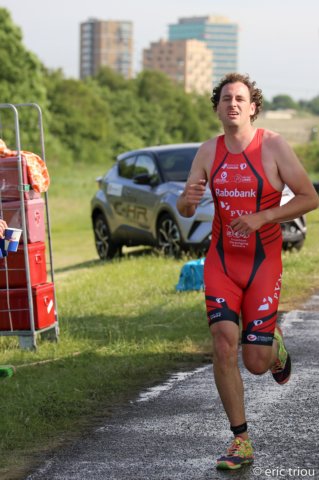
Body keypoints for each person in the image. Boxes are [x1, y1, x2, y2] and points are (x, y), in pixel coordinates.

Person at [177, 73, 319, 470]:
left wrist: (265, 216)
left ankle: (274, 349)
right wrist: (186, 201)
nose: (233, 104)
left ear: (253, 106)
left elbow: (310, 197)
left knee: (255, 361)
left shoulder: (273, 146)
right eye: (226, 99)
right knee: (223, 343)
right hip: (222, 263)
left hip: (262, 264)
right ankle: (240, 440)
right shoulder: (208, 151)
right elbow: (187, 208)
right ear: (218, 108)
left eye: (240, 98)